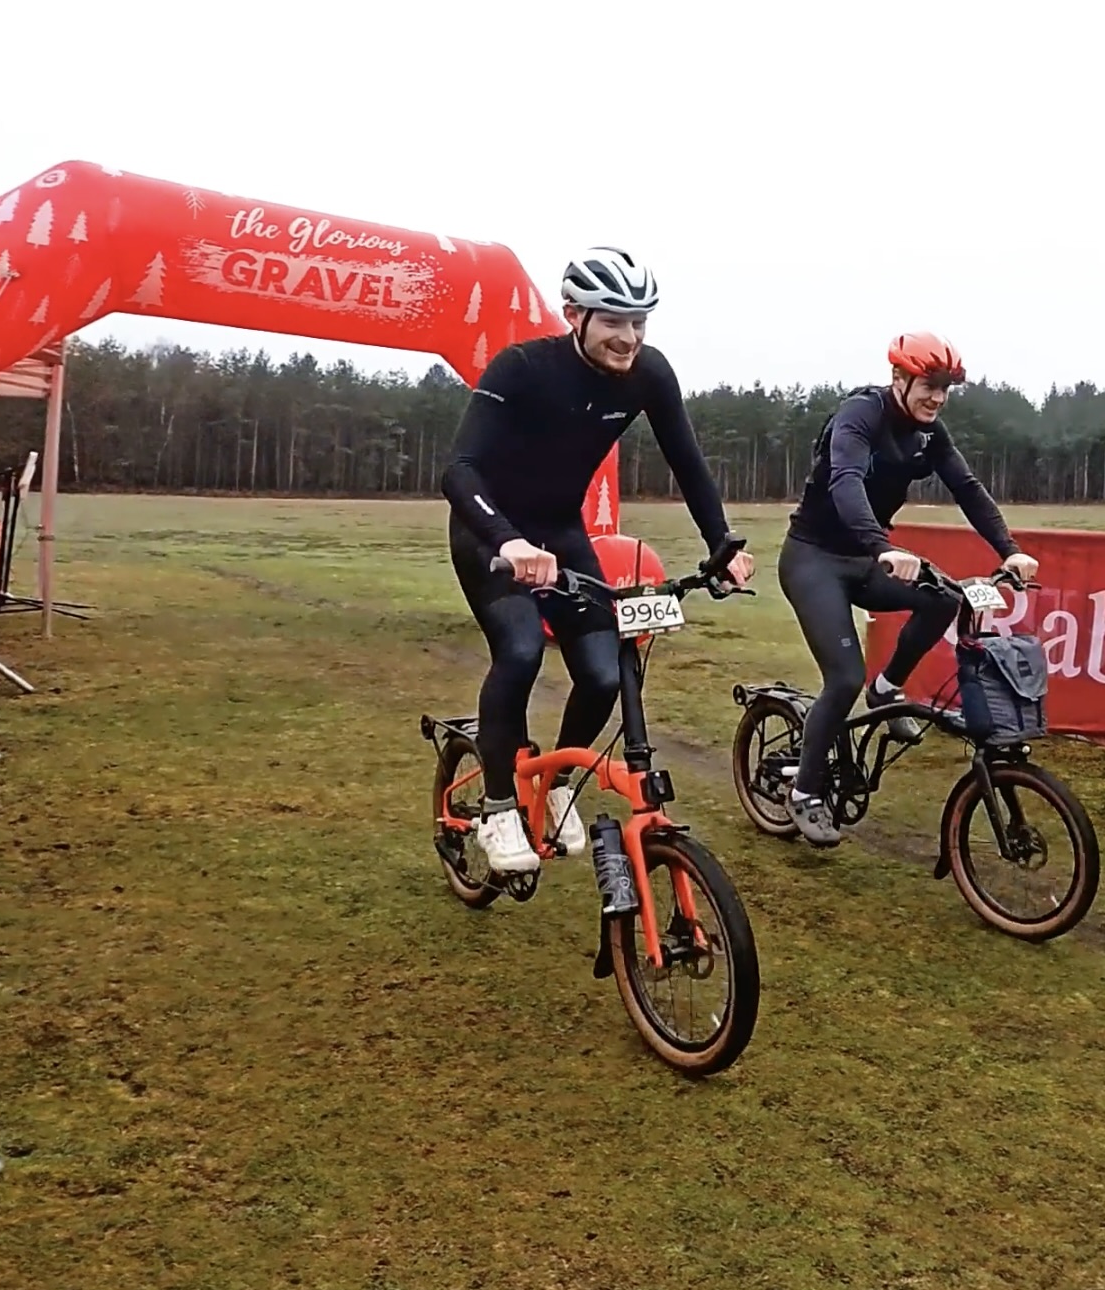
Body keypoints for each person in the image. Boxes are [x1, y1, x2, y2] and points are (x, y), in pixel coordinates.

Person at [440, 247, 752, 877]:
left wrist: (721, 544)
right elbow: (459, 469)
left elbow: (687, 462)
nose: (629, 337)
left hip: (560, 531)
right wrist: (507, 541)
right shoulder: (523, 368)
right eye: (614, 320)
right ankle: (499, 806)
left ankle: (557, 783)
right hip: (492, 534)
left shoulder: (649, 375)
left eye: (640, 321)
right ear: (575, 314)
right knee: (522, 649)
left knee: (606, 671)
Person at [775, 332, 1038, 847]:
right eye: (929, 385)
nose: (937, 398)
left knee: (943, 597)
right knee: (843, 676)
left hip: (867, 558)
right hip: (814, 559)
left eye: (946, 389)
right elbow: (845, 480)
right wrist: (881, 546)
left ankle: (888, 689)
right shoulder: (860, 415)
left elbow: (968, 489)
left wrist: (1008, 550)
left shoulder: (929, 433)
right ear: (899, 378)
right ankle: (804, 793)